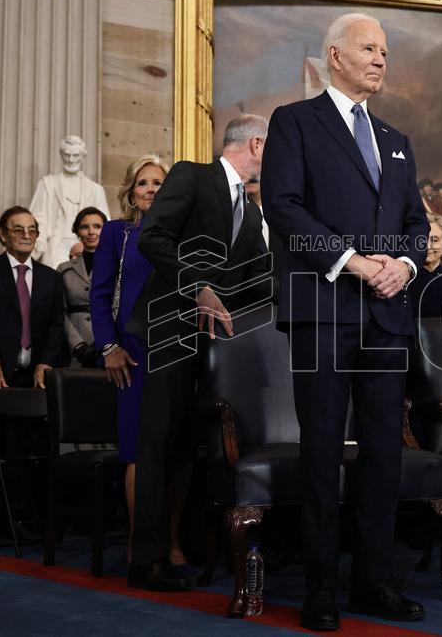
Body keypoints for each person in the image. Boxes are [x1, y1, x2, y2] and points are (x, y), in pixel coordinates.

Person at [261, 13, 429, 630]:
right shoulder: (295, 122)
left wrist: (404, 268)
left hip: (386, 316)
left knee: (385, 455)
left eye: (385, 51)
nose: (381, 59)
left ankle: (374, 583)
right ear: (334, 55)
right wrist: (354, 260)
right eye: (369, 48)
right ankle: (321, 589)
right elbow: (283, 207)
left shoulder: (397, 140)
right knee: (323, 452)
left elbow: (417, 224)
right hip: (324, 312)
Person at [128, 115, 272, 592]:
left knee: (189, 452)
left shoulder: (252, 214)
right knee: (156, 448)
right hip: (170, 333)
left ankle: (180, 548)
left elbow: (255, 286)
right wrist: (200, 288)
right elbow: (153, 238)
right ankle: (144, 559)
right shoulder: (192, 174)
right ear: (255, 143)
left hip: (213, 351)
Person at [0, 206, 67, 546]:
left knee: (21, 454)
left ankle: (18, 521)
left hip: (26, 381)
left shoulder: (51, 278)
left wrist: (44, 363)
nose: (26, 235)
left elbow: (54, 327)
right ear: (2, 234)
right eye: (17, 229)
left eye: (32, 229)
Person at [89, 157, 165, 567]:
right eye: (143, 183)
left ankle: (171, 544)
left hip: (177, 351)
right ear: (131, 192)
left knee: (177, 450)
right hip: (131, 354)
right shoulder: (118, 233)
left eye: (158, 182)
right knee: (138, 450)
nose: (151, 189)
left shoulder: (182, 233)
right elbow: (99, 296)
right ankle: (140, 544)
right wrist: (108, 347)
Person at [29, 136, 111, 269]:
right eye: (67, 155)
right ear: (61, 154)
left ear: (83, 156)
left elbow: (105, 224)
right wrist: (38, 245)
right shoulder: (47, 183)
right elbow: (38, 217)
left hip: (85, 243)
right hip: (56, 244)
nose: (71, 160)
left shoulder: (95, 189)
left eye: (76, 155)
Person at [58, 206, 107, 368]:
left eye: (97, 226)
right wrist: (78, 346)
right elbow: (58, 312)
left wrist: (110, 344)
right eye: (84, 227)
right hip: (74, 350)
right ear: (77, 232)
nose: (91, 232)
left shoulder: (117, 266)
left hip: (109, 348)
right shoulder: (64, 269)